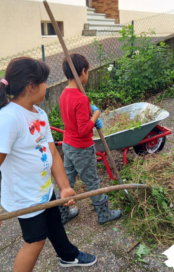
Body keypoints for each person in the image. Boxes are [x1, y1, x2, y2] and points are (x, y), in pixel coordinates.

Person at [0, 57, 97, 271]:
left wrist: (64, 187)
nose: (47, 86)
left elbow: (52, 152)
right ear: (31, 86)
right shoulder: (9, 118)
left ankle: (68, 256)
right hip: (25, 198)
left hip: (43, 189)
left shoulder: (39, 113)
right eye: (44, 81)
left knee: (54, 223)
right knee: (35, 242)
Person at [58, 53, 122, 225]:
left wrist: (88, 110)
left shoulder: (64, 94)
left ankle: (62, 213)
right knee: (92, 181)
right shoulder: (81, 98)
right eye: (88, 71)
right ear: (83, 71)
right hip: (81, 148)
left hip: (67, 145)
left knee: (67, 181)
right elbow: (83, 130)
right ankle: (104, 214)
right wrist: (95, 115)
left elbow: (72, 119)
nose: (88, 74)